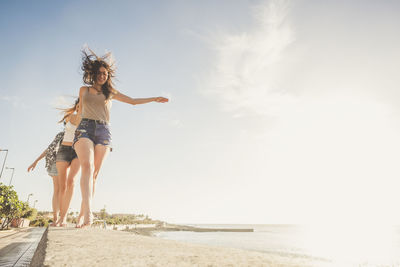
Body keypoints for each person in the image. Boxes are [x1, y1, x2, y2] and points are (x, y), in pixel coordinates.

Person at [74, 48, 168, 227]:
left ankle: (82, 212)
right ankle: (88, 214)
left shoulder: (110, 92)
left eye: (105, 74)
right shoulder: (83, 90)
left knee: (94, 174)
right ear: (93, 74)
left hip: (103, 130)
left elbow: (132, 101)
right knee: (87, 165)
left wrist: (154, 98)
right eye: (100, 73)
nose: (103, 76)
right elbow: (79, 113)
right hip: (84, 128)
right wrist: (71, 135)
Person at [28, 131, 64, 226]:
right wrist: (36, 161)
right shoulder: (62, 134)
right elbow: (50, 149)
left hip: (66, 163)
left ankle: (59, 219)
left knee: (60, 190)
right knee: (59, 190)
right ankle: (57, 219)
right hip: (57, 162)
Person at [55, 99, 81, 226]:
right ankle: (61, 217)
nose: (80, 107)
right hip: (63, 150)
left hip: (78, 151)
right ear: (76, 106)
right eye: (78, 105)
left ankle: (64, 217)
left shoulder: (87, 120)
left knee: (72, 181)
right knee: (62, 186)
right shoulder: (69, 116)